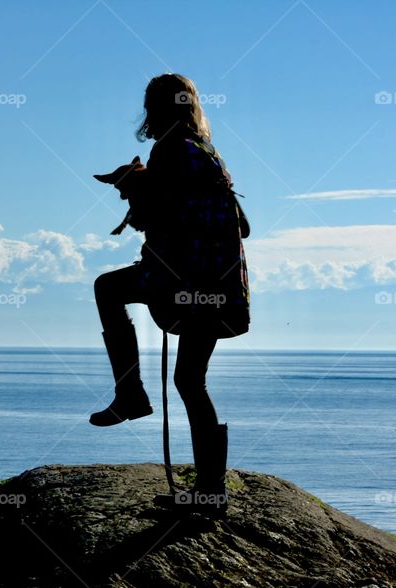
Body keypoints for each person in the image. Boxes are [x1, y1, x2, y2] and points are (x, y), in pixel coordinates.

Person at [90, 73, 250, 515]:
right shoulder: (209, 153)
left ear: (156, 109)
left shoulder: (169, 150)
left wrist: (132, 184)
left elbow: (151, 217)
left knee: (107, 288)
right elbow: (241, 225)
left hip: (182, 280)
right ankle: (211, 489)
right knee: (190, 382)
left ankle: (130, 395)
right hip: (219, 286)